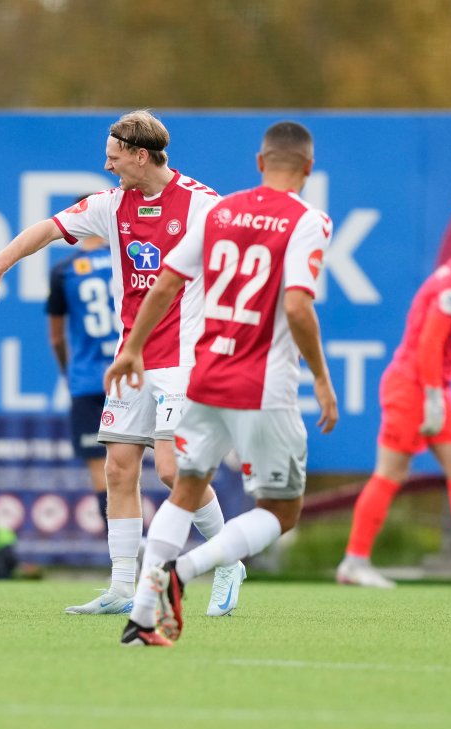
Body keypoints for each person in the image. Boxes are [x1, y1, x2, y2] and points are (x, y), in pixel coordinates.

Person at [0, 110, 243, 617]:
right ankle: (120, 586)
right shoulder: (111, 206)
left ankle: (228, 557)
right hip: (130, 358)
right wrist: (1, 262)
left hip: (185, 359)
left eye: (114, 157)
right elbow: (46, 229)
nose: (107, 165)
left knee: (171, 469)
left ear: (141, 156)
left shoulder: (204, 205)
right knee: (118, 468)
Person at [107, 120, 338, 647]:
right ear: (308, 168)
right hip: (265, 387)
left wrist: (135, 347)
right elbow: (299, 306)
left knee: (183, 491)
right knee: (281, 512)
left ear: (259, 163)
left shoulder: (221, 210)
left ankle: (144, 612)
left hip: (206, 375)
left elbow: (165, 282)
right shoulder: (308, 220)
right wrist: (322, 380)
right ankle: (182, 574)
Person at [337, 213, 451, 587]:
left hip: (433, 387)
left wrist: (437, 395)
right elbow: (430, 344)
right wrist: (433, 398)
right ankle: (354, 563)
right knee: (391, 473)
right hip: (413, 386)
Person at [45, 205, 116, 529]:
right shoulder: (126, 261)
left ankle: (121, 556)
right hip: (130, 375)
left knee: (100, 473)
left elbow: (57, 338)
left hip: (86, 379)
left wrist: (67, 370)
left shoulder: (64, 270)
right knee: (134, 467)